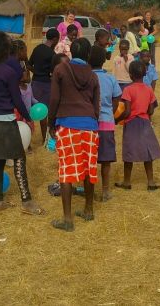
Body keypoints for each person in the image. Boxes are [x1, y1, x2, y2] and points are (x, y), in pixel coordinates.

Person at [0, 31, 45, 215]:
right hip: (8, 122)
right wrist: (27, 116)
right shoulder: (9, 72)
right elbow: (17, 99)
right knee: (19, 160)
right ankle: (26, 201)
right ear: (4, 48)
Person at [48, 38, 100, 232]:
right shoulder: (93, 76)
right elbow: (96, 104)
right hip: (89, 126)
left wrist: (52, 123)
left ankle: (67, 219)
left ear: (70, 53)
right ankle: (88, 210)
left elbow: (54, 98)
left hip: (67, 124)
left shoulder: (61, 70)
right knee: (89, 168)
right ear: (88, 55)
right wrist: (92, 120)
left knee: (66, 171)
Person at [115, 61, 160, 191]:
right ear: (145, 73)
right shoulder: (148, 89)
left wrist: (117, 119)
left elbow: (127, 111)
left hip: (131, 123)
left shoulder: (128, 90)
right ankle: (151, 182)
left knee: (129, 152)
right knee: (148, 152)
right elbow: (151, 110)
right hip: (145, 122)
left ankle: (127, 182)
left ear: (130, 75)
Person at [89, 45, 121, 202]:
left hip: (88, 124)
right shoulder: (110, 78)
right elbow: (116, 100)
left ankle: (89, 189)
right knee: (106, 160)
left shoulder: (86, 78)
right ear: (104, 60)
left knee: (89, 159)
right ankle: (106, 190)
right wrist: (110, 114)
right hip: (107, 123)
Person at [29, 28, 59, 144]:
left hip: (35, 83)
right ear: (55, 39)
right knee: (47, 111)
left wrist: (36, 72)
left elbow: (29, 64)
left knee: (38, 111)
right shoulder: (52, 54)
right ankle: (45, 139)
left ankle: (40, 139)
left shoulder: (37, 48)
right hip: (47, 84)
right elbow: (54, 72)